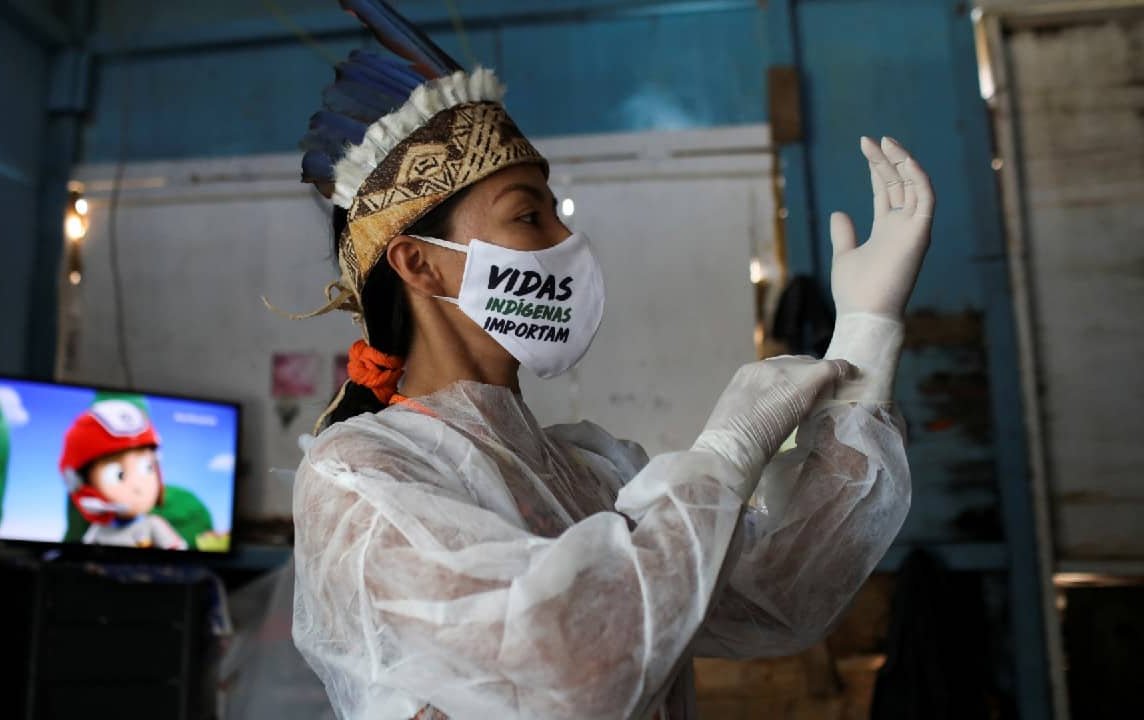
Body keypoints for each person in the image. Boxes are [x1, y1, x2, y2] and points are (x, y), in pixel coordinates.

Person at [278, 2, 934, 717]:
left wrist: (866, 336)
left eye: (557, 214)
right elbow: (569, 666)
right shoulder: (361, 479)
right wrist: (723, 458)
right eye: (528, 216)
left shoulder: (588, 473)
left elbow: (777, 591)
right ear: (419, 264)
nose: (566, 243)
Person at [59, 398, 186, 550]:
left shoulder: (153, 524)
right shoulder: (98, 531)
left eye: (148, 468)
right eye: (118, 475)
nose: (138, 487)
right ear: (79, 483)